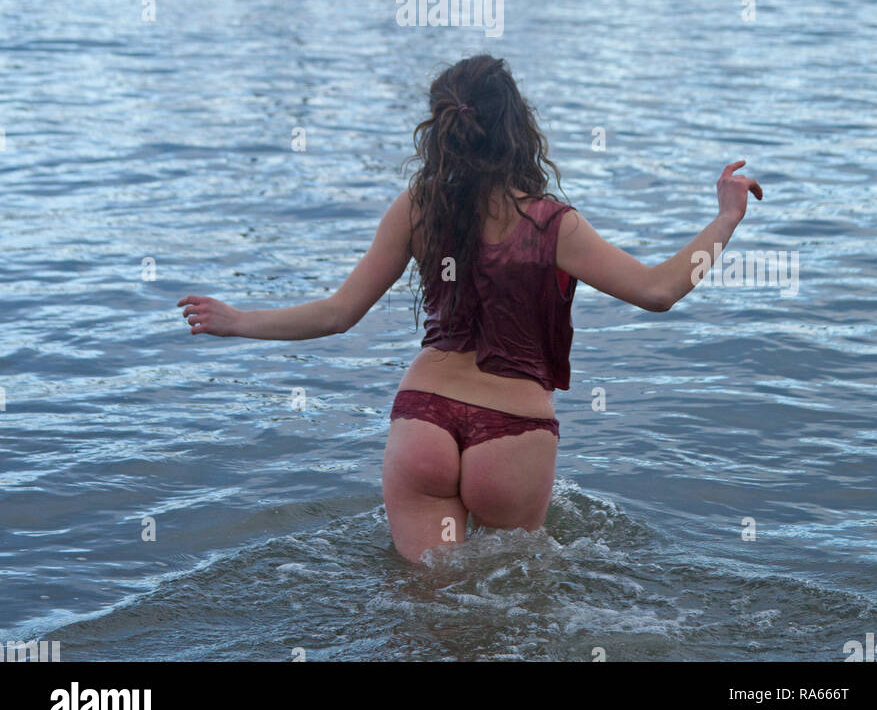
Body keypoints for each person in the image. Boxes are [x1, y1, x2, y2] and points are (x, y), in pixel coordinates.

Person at [178, 54, 763, 563]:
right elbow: (658, 291)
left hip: (422, 422)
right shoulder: (551, 223)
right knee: (508, 614)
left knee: (427, 613)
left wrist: (238, 321)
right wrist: (726, 217)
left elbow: (338, 314)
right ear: (517, 127)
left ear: (440, 128)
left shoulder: (416, 207)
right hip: (513, 431)